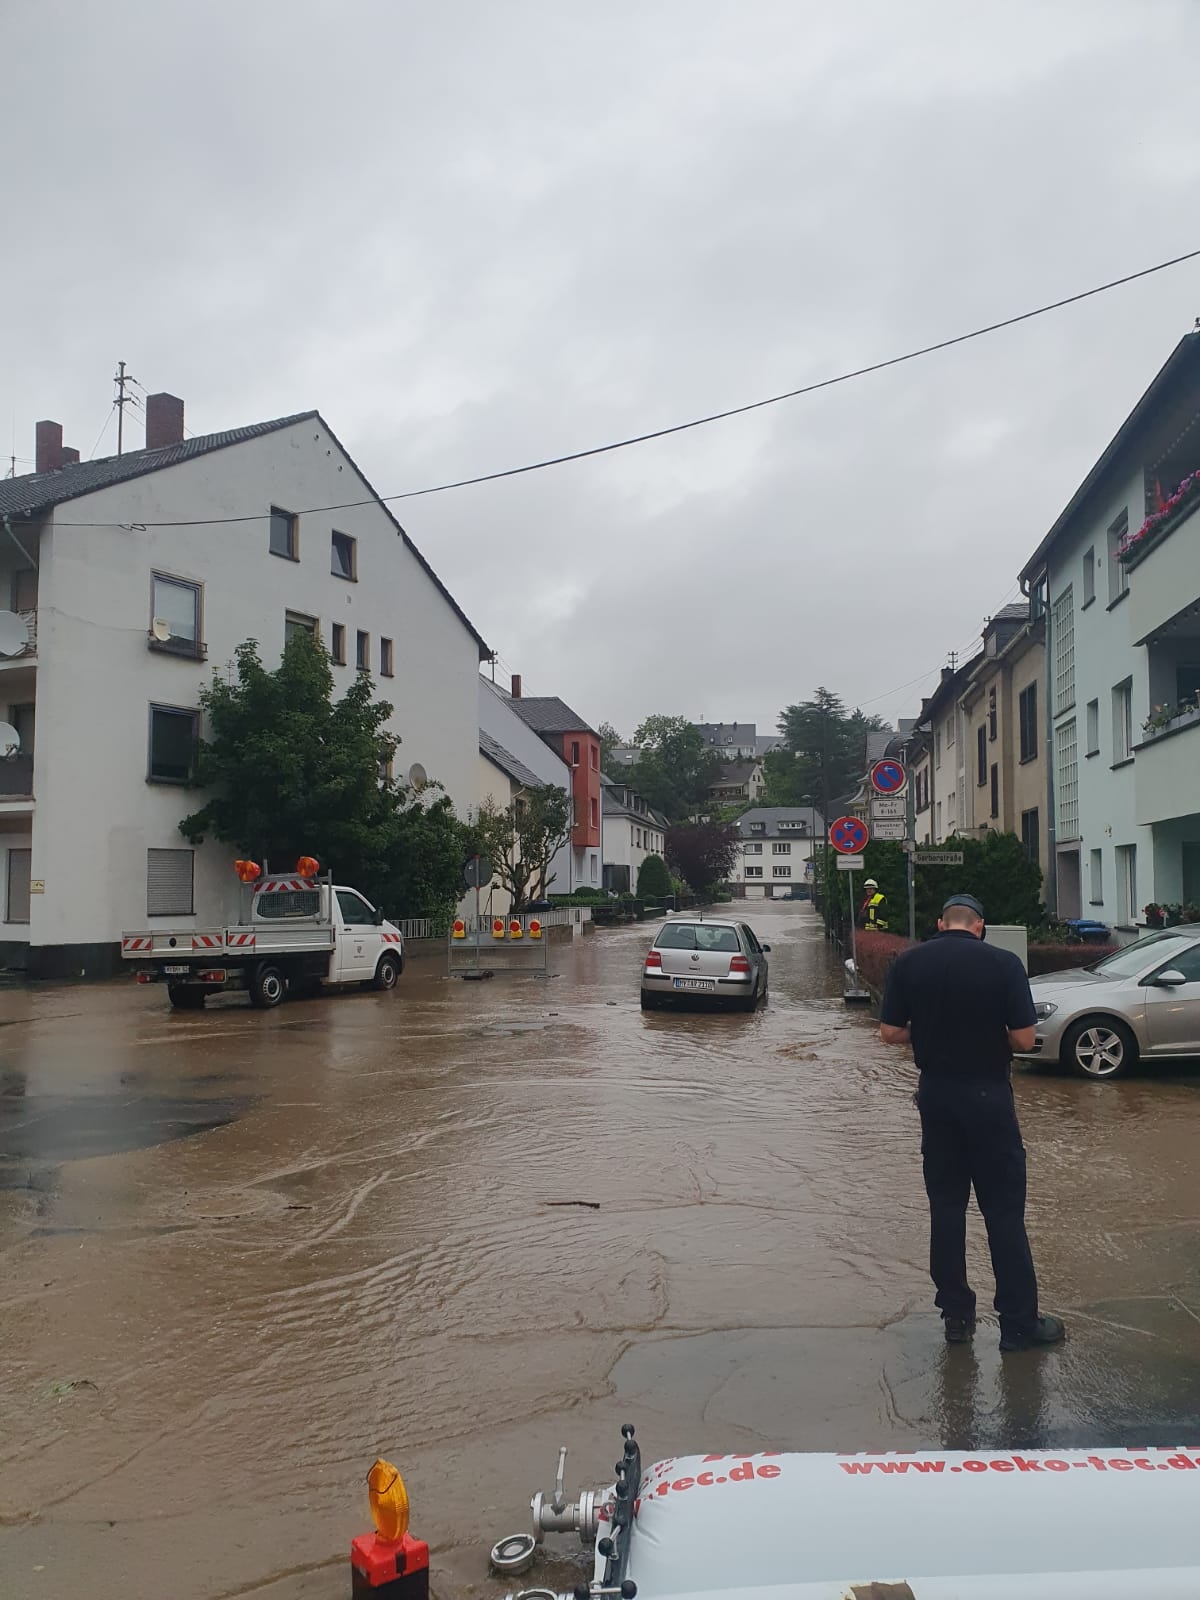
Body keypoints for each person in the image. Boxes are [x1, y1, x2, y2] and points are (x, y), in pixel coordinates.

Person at [878, 892, 1065, 1352]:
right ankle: (1019, 1326)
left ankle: (956, 1317)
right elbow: (1023, 1039)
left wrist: (933, 1029)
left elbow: (889, 1033)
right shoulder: (1003, 964)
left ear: (942, 923)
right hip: (988, 1099)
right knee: (1003, 1212)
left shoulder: (908, 963)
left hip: (937, 1098)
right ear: (980, 926)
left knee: (946, 1209)